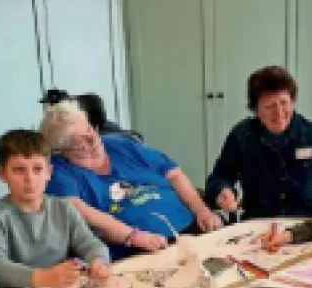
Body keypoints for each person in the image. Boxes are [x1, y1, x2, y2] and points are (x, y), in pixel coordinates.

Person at [41, 101, 221, 259]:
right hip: (141, 249)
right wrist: (133, 236)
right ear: (62, 151)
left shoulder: (120, 144)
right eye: (81, 142)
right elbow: (77, 209)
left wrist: (202, 211)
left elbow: (173, 174)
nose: (93, 139)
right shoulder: (58, 170)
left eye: (90, 129)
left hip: (191, 228)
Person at [0, 129, 111, 288]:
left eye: (37, 169)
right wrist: (40, 278)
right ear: (2, 174)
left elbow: (90, 243)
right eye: (19, 170)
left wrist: (99, 262)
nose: (29, 179)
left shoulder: (64, 208)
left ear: (49, 172)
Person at [206, 66, 312, 219]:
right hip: (257, 221)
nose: (279, 113)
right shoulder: (241, 136)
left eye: (284, 103)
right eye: (270, 106)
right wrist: (222, 191)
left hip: (307, 221)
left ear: (292, 101)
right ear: (255, 109)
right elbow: (219, 177)